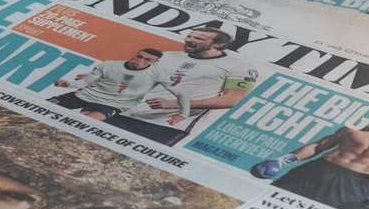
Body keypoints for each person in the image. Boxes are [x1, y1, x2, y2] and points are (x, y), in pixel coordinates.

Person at [250, 104, 369, 209]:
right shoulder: (356, 130)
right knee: (265, 207)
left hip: (355, 182)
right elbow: (319, 145)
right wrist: (282, 160)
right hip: (315, 170)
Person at [105, 27, 258, 146]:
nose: (189, 40)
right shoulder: (166, 56)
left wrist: (176, 104)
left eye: (198, 38)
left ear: (218, 45)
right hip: (124, 114)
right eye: (189, 36)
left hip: (166, 126)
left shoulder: (238, 66)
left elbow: (233, 100)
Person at [49, 47, 190, 124]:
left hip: (112, 105)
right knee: (43, 107)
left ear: (154, 63)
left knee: (83, 122)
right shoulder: (109, 65)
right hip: (84, 96)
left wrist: (183, 114)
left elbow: (181, 93)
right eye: (139, 56)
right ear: (134, 53)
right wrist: (68, 84)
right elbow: (86, 81)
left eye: (146, 59)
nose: (139, 60)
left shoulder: (158, 74)